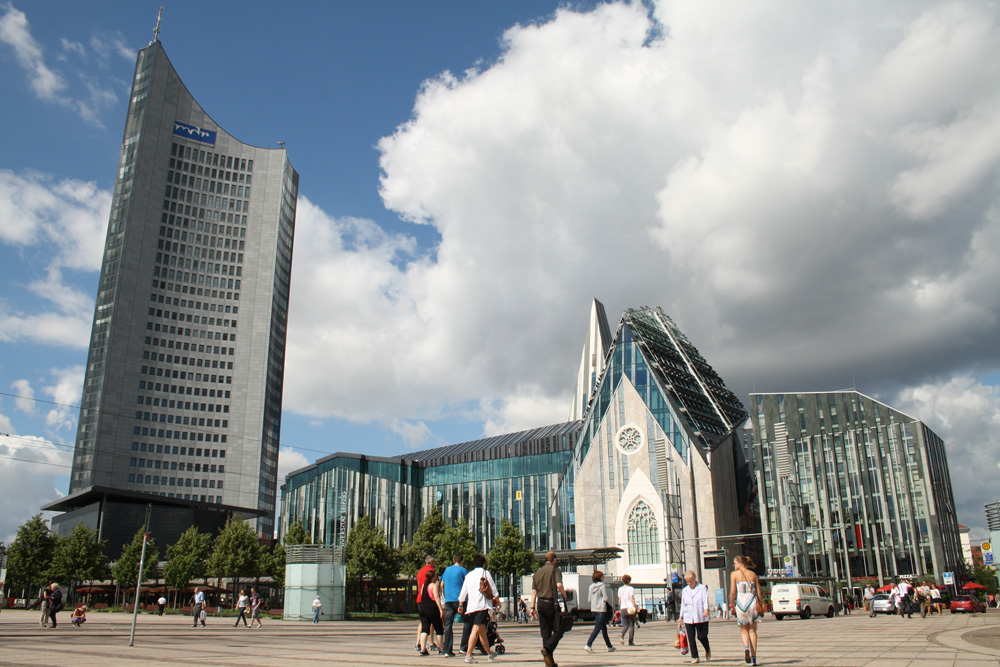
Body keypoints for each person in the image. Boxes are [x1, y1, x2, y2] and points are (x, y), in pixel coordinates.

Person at [458, 553, 499, 664]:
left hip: (471, 606)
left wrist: (461, 604)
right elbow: (493, 588)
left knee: (481, 631)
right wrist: (497, 600)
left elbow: (463, 591)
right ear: (484, 564)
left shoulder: (469, 575)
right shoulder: (485, 573)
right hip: (482, 605)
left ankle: (490, 654)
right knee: (476, 629)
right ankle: (468, 655)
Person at [530, 551, 567, 667]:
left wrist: (532, 608)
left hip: (540, 604)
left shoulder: (537, 573)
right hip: (551, 603)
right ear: (554, 560)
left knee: (545, 633)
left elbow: (534, 592)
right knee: (559, 629)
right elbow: (559, 585)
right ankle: (547, 648)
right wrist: (564, 595)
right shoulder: (555, 570)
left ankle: (549, 662)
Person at [730, 555, 763, 666]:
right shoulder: (752, 574)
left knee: (743, 629)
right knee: (753, 631)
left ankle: (746, 647)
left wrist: (731, 605)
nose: (733, 565)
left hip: (741, 602)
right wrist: (761, 605)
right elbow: (759, 592)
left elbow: (733, 592)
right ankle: (753, 659)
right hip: (751, 602)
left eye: (734, 563)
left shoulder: (734, 574)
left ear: (740, 563)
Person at [679, 570, 710, 665]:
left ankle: (707, 648)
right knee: (691, 638)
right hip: (689, 616)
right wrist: (681, 616)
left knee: (701, 636)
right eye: (687, 581)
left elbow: (705, 600)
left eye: (690, 581)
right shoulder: (685, 590)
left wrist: (706, 610)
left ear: (694, 579)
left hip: (700, 615)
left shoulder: (702, 588)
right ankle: (695, 657)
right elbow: (683, 604)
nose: (689, 583)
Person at [442, 553, 469, 658]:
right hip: (460, 600)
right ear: (462, 561)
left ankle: (447, 650)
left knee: (448, 625)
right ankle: (463, 647)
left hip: (448, 600)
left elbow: (441, 584)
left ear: (454, 561)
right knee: (467, 622)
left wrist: (445, 596)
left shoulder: (447, 570)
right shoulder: (463, 570)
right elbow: (467, 584)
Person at [583, 570, 616, 654]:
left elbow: (589, 599)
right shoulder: (602, 585)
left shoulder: (590, 586)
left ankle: (609, 646)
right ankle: (588, 644)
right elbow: (605, 597)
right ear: (600, 577)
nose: (603, 577)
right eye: (602, 576)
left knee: (603, 628)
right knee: (597, 628)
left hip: (593, 609)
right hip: (601, 609)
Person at [418, 571, 445, 655]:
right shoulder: (433, 586)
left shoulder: (424, 586)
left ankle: (423, 648)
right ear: (433, 577)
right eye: (435, 576)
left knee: (425, 629)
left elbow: (422, 595)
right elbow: (436, 597)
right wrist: (440, 609)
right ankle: (441, 648)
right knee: (438, 629)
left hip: (423, 609)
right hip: (432, 609)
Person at [415, 556, 436, 651]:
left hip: (420, 598)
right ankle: (431, 643)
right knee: (430, 621)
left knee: (423, 621)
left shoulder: (420, 571)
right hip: (428, 599)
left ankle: (418, 642)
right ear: (431, 562)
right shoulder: (431, 571)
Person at [618, 573, 637, 646]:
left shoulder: (620, 589)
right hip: (630, 608)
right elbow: (632, 598)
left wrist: (620, 607)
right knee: (631, 624)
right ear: (629, 581)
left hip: (623, 608)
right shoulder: (631, 588)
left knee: (625, 624)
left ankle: (622, 633)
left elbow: (619, 600)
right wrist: (636, 606)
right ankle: (630, 641)